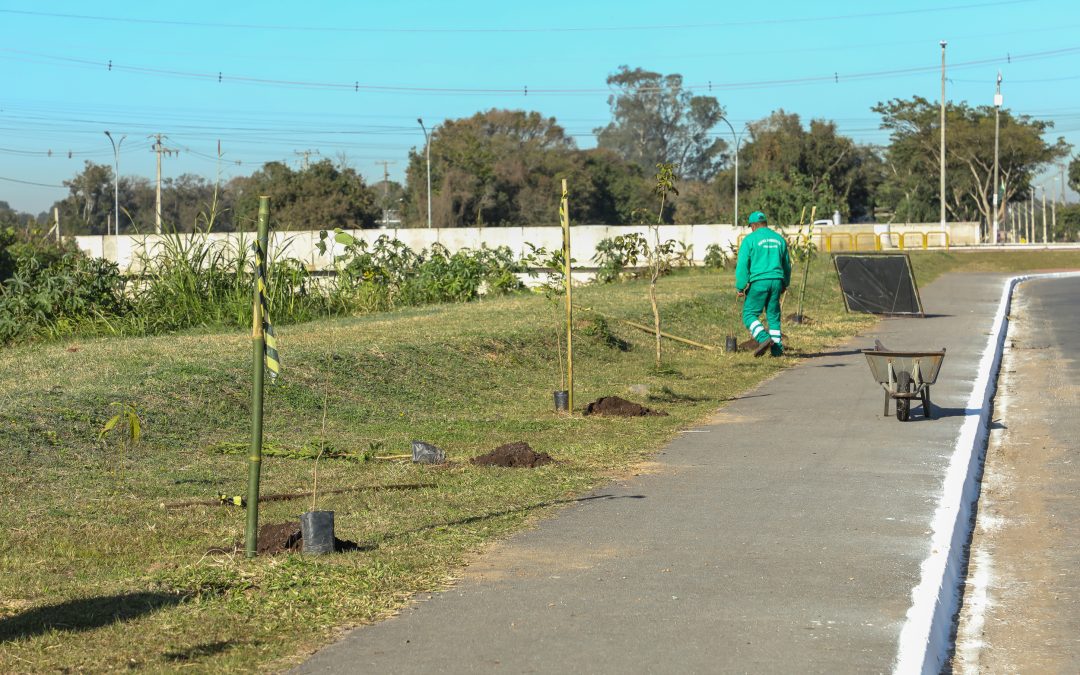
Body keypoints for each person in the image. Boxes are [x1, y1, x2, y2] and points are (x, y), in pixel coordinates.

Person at [735, 211, 791, 357]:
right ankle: (777, 350)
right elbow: (786, 265)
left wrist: (740, 286)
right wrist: (785, 282)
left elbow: (742, 265)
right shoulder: (779, 239)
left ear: (753, 226)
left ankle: (763, 338)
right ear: (765, 223)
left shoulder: (750, 240)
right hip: (777, 281)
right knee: (773, 316)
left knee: (749, 314)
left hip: (759, 282)